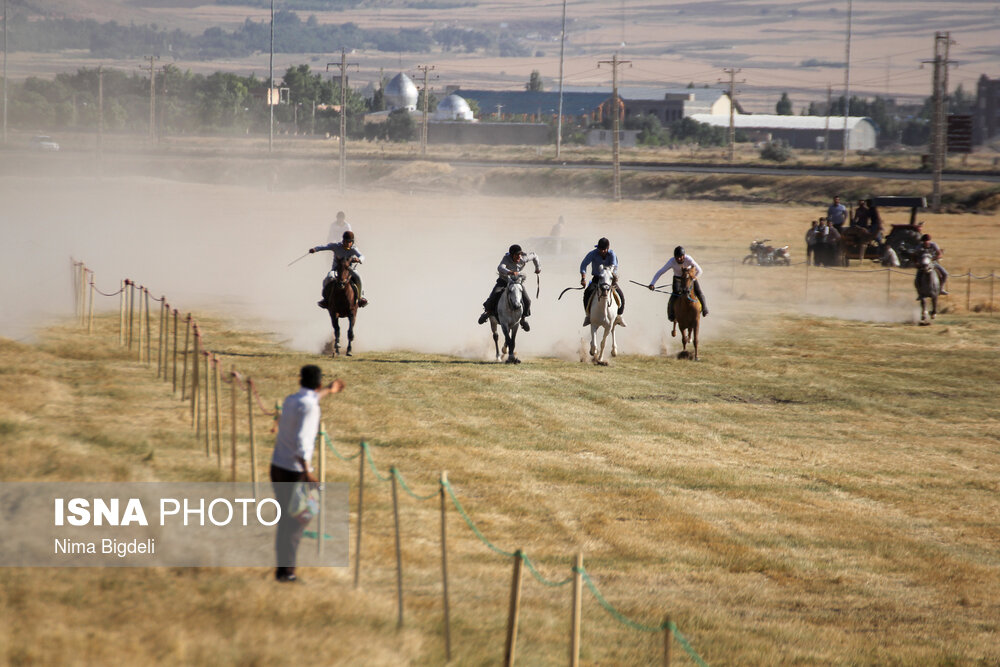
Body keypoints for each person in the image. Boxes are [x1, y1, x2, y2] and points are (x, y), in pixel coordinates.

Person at [270, 365, 345, 583]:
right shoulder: (311, 407)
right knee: (299, 519)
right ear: (318, 383)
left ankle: (282, 569)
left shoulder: (292, 400)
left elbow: (310, 399)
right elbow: (303, 441)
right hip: (295, 471)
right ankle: (288, 573)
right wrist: (308, 471)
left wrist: (329, 391)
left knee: (286, 519)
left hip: (277, 466)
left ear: (299, 380)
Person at [477, 244, 541, 331]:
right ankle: (487, 312)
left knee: (527, 301)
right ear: (512, 255)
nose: (519, 257)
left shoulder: (523, 258)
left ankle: (523, 319)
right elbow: (500, 267)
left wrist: (538, 267)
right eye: (516, 255)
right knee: (494, 295)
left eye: (520, 254)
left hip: (516, 282)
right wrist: (510, 272)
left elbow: (534, 255)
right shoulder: (506, 259)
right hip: (504, 281)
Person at [309, 230, 368, 308]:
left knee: (358, 277)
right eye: (346, 241)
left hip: (349, 270)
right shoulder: (336, 246)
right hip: (336, 269)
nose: (347, 243)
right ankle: (325, 299)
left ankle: (360, 298)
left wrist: (359, 259)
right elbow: (324, 247)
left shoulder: (353, 249)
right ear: (343, 240)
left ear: (352, 242)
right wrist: (315, 249)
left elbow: (362, 256)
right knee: (328, 278)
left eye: (349, 242)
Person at [648, 246, 708, 321]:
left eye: (680, 257)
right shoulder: (671, 261)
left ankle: (705, 309)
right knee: (675, 294)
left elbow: (700, 270)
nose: (679, 259)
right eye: (677, 257)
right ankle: (671, 314)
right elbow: (661, 272)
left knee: (698, 291)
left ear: (684, 256)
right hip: (677, 279)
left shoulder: (688, 259)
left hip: (689, 278)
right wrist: (652, 283)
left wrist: (692, 279)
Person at [579, 237, 625, 327]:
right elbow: (583, 265)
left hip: (609, 280)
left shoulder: (612, 254)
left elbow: (614, 267)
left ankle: (619, 316)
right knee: (587, 293)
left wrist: (611, 278)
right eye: (600, 249)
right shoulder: (593, 254)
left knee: (620, 294)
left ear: (608, 248)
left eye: (604, 249)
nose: (602, 251)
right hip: (597, 278)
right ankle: (588, 316)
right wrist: (583, 278)